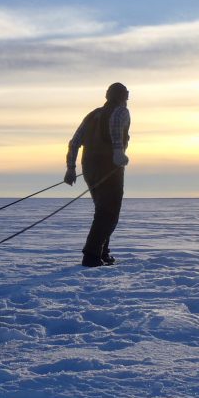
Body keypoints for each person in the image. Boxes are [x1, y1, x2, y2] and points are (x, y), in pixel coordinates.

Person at [64, 82, 131, 267]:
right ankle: (92, 255)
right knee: (109, 213)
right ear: (122, 96)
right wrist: (118, 154)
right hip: (109, 167)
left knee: (102, 210)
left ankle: (102, 252)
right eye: (126, 95)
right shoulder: (120, 111)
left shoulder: (92, 115)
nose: (127, 99)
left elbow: (74, 142)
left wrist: (71, 168)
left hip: (89, 167)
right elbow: (117, 133)